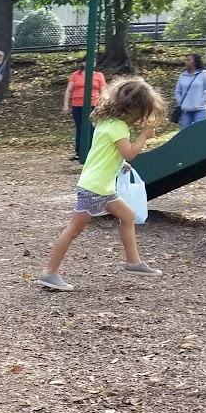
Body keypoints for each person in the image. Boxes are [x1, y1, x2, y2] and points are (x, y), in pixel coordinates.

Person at [35, 76, 166, 292]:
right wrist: (144, 135)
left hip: (102, 186)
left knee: (128, 216)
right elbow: (130, 153)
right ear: (134, 109)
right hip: (95, 187)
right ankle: (49, 273)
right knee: (74, 229)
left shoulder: (107, 122)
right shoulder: (119, 128)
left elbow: (106, 151)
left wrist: (119, 163)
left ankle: (133, 262)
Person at [63, 65, 107, 162]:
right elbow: (68, 90)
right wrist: (66, 104)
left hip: (93, 105)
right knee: (80, 128)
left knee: (92, 128)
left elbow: (103, 91)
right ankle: (79, 152)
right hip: (78, 105)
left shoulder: (99, 75)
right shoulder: (76, 75)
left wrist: (104, 104)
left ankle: (92, 151)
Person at [173, 54, 206, 127]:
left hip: (200, 109)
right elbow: (178, 91)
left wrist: (202, 102)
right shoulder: (183, 76)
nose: (186, 62)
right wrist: (181, 103)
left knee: (199, 130)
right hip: (186, 110)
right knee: (185, 132)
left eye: (189, 60)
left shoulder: (204, 74)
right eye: (186, 60)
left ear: (195, 62)